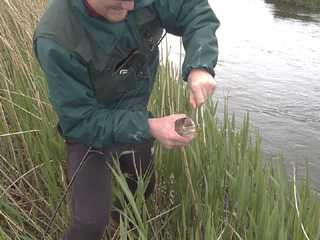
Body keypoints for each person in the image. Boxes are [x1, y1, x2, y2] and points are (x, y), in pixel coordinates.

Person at [33, 0, 219, 239]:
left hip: (134, 110)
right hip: (90, 128)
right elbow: (81, 121)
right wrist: (149, 126)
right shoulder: (56, 37)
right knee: (89, 223)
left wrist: (200, 66)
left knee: (142, 184)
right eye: (120, 0)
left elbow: (193, 10)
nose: (132, 6)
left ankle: (123, 227)